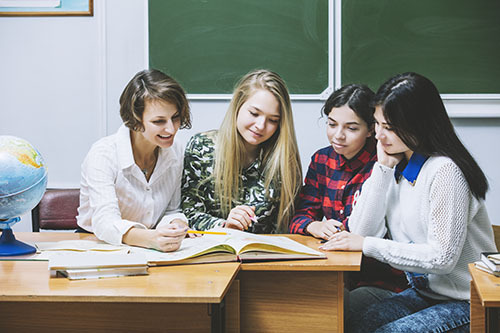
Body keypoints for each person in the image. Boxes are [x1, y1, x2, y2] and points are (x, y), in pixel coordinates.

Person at [320, 72, 498, 332]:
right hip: (428, 295)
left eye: (389, 128)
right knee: (352, 322)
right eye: (378, 124)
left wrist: (367, 245)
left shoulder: (445, 170)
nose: (379, 135)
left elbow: (442, 259)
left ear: (419, 124)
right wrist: (381, 170)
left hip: (468, 301)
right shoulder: (395, 165)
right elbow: (359, 231)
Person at [289, 84, 408, 317]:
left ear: (371, 129)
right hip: (335, 273)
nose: (338, 135)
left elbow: (374, 231)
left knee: (330, 314)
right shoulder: (322, 159)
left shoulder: (387, 162)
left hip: (380, 280)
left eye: (351, 128)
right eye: (332, 124)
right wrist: (314, 225)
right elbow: (299, 215)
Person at [76, 69, 192, 252]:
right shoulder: (103, 154)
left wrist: (176, 225)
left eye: (175, 118)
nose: (171, 129)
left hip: (151, 246)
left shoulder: (175, 150)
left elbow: (172, 210)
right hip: (97, 245)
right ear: (135, 120)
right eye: (159, 121)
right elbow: (105, 222)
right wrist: (151, 239)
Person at [182, 69, 302, 233]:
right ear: (238, 106)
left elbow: (288, 223)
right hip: (212, 252)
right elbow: (187, 213)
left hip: (264, 255)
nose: (260, 125)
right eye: (254, 113)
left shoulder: (283, 160)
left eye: (273, 120)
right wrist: (224, 226)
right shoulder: (202, 147)